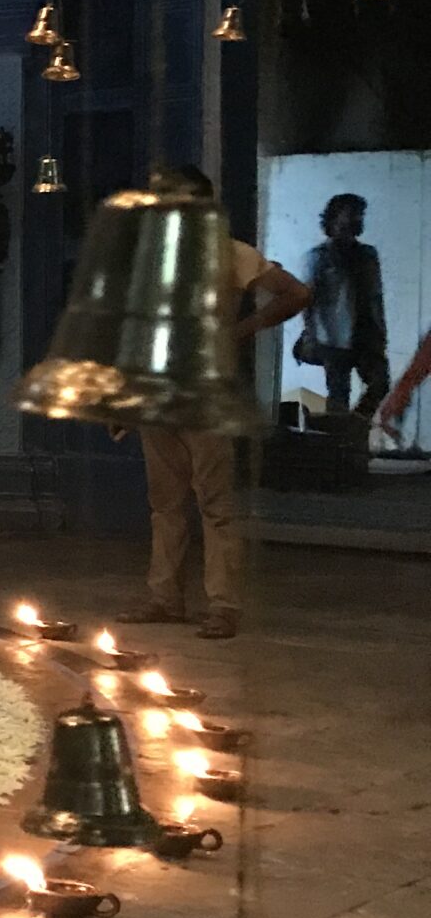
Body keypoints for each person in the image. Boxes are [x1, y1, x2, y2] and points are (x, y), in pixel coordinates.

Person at [119, 164, 311, 641]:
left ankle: (223, 605)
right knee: (165, 503)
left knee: (215, 503)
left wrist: (240, 331)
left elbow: (295, 293)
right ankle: (165, 597)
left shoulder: (230, 253)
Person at [294, 193, 388, 423]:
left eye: (359, 215)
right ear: (334, 219)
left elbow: (375, 296)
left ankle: (352, 426)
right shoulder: (319, 257)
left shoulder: (368, 255)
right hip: (333, 336)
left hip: (366, 333)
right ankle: (338, 435)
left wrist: (380, 331)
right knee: (339, 395)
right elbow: (307, 299)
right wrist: (311, 335)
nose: (356, 219)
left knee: (380, 384)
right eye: (351, 214)